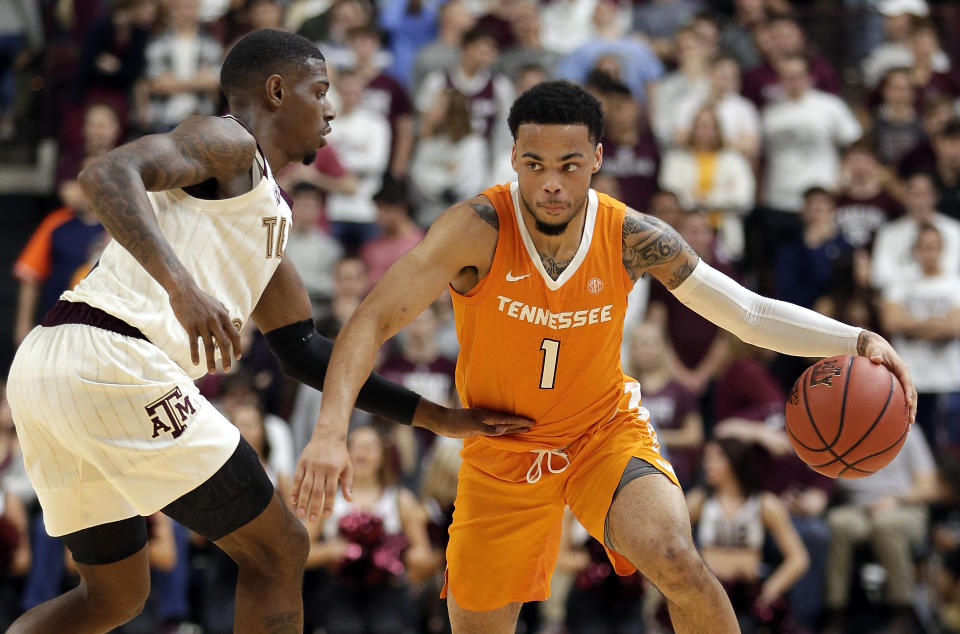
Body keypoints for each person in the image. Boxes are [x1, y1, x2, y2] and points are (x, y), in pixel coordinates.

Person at [301, 80, 917, 633]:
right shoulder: (477, 229)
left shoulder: (632, 238)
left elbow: (747, 313)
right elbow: (371, 320)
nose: (550, 182)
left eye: (570, 165)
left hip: (602, 433)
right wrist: (331, 430)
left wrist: (853, 339)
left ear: (597, 158)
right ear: (513, 156)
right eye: (535, 163)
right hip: (501, 445)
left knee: (677, 558)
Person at [4, 29, 527, 634]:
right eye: (320, 90)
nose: (331, 109)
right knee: (280, 548)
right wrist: (181, 286)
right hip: (111, 356)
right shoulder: (227, 140)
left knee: (112, 597)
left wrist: (437, 417)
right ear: (277, 91)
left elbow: (303, 350)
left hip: (48, 368)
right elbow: (105, 173)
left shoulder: (267, 215)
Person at [687, 437, 809, 633]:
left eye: (715, 458)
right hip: (708, 594)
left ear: (736, 460)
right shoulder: (698, 501)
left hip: (748, 598)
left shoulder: (765, 504)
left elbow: (798, 558)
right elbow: (670, 543)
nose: (707, 465)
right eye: (706, 458)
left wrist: (770, 590)